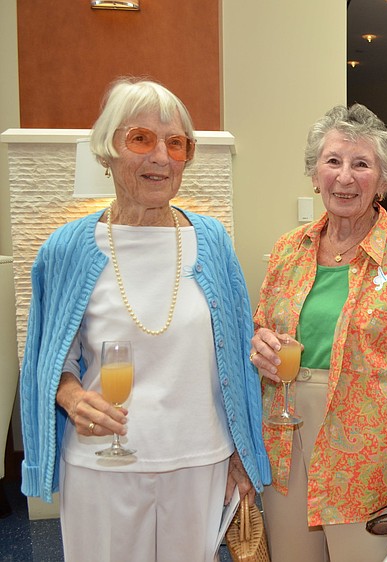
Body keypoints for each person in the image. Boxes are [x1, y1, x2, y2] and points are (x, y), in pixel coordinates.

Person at [19, 78, 271, 561]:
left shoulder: (212, 241)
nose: (161, 157)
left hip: (200, 460)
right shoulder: (68, 248)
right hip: (101, 465)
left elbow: (237, 361)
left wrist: (242, 457)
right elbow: (49, 359)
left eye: (176, 144)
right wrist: (73, 398)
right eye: (141, 139)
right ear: (106, 151)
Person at [250, 104, 387, 562]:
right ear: (314, 173)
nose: (345, 177)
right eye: (333, 161)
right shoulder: (289, 249)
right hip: (285, 444)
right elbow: (262, 328)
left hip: (371, 455)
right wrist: (260, 346)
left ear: (382, 180)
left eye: (361, 164)